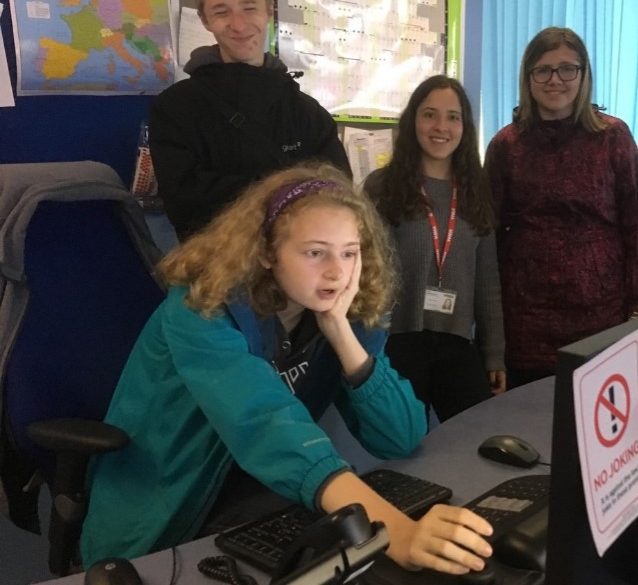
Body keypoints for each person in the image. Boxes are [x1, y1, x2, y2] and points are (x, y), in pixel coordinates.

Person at [79, 164, 494, 576]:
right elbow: (265, 422)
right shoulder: (201, 308)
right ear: (266, 252)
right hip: (169, 502)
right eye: (315, 252)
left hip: (266, 484)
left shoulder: (334, 310)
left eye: (349, 252)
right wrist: (393, 532)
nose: (337, 271)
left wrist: (341, 334)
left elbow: (401, 434)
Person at [484, 27, 638, 389]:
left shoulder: (613, 138)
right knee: (523, 431)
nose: (556, 80)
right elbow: (486, 233)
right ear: (528, 77)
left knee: (593, 435)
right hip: (525, 322)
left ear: (583, 75)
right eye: (543, 70)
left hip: (601, 319)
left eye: (568, 69)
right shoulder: (506, 144)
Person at [150, 0, 351, 240]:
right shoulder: (175, 108)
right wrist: (292, 187)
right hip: (219, 274)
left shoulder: (306, 112)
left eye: (249, 8)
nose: (239, 24)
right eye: (221, 12)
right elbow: (184, 204)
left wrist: (242, 188)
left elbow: (338, 195)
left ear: (269, 11)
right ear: (205, 20)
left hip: (298, 275)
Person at [364, 76, 507, 420]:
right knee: (405, 449)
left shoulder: (475, 192)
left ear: (464, 127)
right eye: (430, 114)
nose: (441, 126)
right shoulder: (382, 186)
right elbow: (364, 272)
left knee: (471, 443)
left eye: (453, 117)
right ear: (413, 120)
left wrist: (494, 353)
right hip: (395, 340)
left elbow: (487, 279)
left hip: (457, 341)